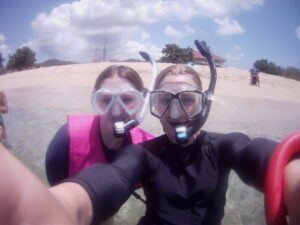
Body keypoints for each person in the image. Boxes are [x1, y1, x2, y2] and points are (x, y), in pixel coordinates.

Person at [0, 65, 300, 225]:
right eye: (163, 101)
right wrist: (61, 207)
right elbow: (113, 178)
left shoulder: (225, 145)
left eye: (186, 101)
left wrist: (293, 175)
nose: (174, 115)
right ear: (153, 104)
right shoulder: (141, 153)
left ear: (204, 104)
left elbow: (255, 155)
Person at [45, 65, 153, 185]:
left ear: (140, 103)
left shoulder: (149, 147)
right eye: (106, 100)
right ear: (95, 100)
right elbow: (56, 200)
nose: (116, 111)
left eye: (126, 100)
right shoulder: (66, 140)